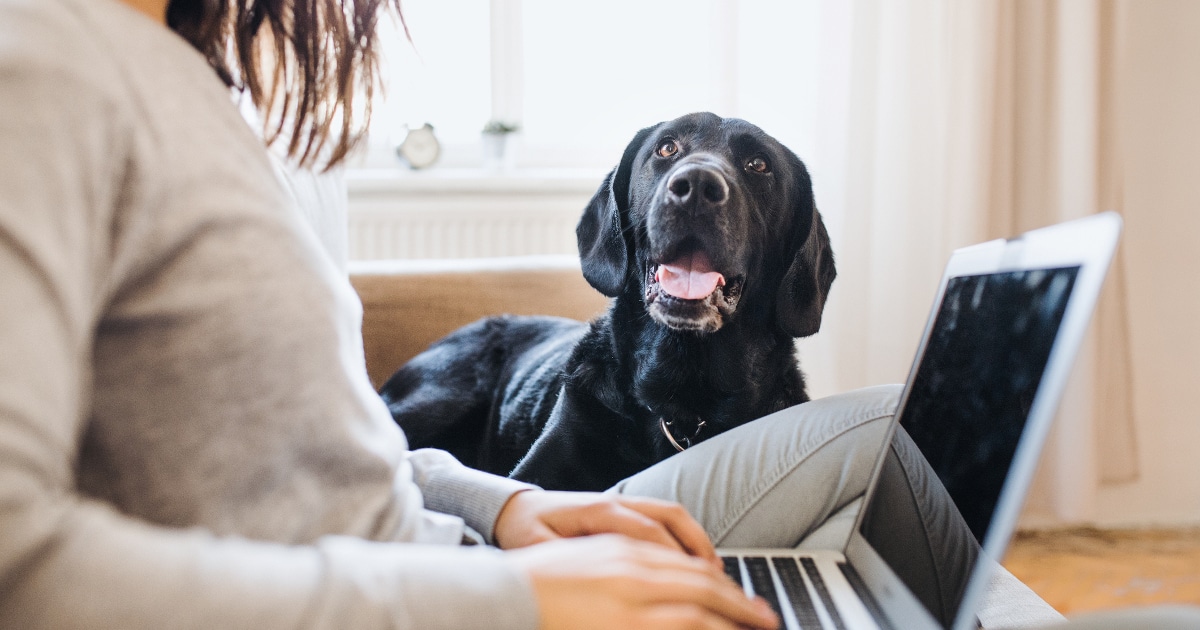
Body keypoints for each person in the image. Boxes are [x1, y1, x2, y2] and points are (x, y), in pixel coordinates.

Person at [1, 1, 1195, 629]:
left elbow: (319, 455)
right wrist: (504, 603)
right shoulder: (49, 62)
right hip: (452, 601)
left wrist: (510, 506)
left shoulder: (192, 89)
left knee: (915, 495)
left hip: (469, 559)